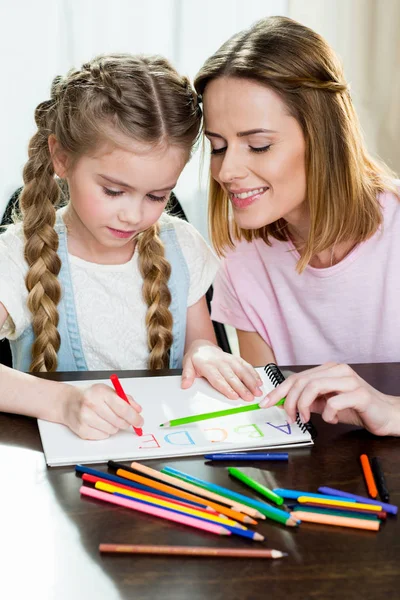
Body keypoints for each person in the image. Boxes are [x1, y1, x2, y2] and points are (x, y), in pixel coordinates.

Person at [0, 54, 263, 440]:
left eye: (157, 196)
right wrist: (63, 403)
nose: (133, 215)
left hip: (160, 458)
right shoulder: (17, 256)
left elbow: (200, 338)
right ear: (61, 157)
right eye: (113, 190)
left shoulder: (182, 247)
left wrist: (203, 352)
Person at [194, 16, 400, 434]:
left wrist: (391, 410)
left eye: (258, 145)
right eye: (217, 147)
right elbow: (273, 412)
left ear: (323, 136)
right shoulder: (241, 254)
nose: (226, 170)